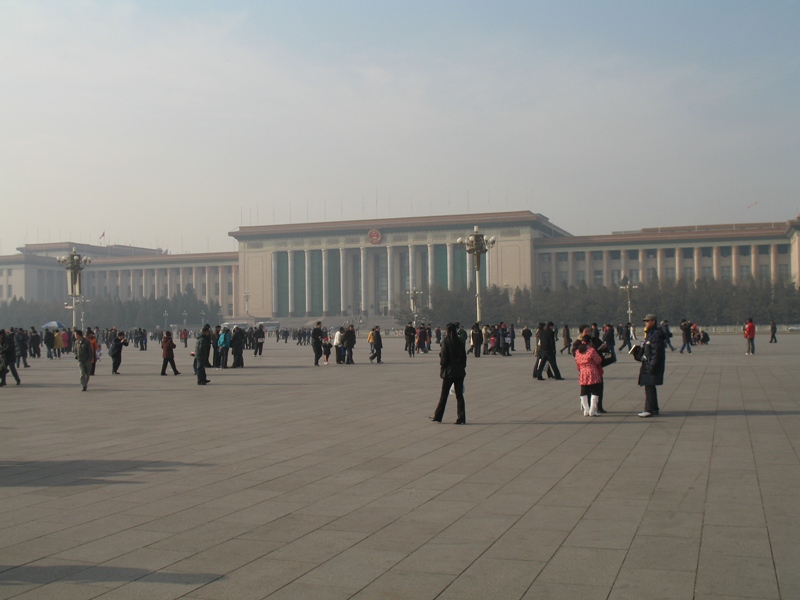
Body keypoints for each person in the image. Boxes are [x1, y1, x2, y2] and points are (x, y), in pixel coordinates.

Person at [430, 323, 467, 425]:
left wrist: (443, 369)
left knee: (444, 395)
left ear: (447, 331)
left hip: (449, 372)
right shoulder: (460, 342)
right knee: (459, 396)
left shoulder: (446, 342)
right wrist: (461, 367)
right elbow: (464, 358)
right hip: (459, 372)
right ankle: (461, 418)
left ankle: (438, 416)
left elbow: (443, 359)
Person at [638, 314, 666, 418]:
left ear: (653, 321)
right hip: (648, 362)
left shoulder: (656, 334)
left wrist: (652, 365)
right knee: (650, 386)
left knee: (649, 386)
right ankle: (654, 408)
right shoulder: (650, 334)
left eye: (647, 321)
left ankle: (649, 410)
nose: (646, 323)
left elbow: (657, 352)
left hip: (651, 364)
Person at [574, 328, 603, 417]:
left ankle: (586, 410)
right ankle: (592, 410)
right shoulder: (591, 350)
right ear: (589, 342)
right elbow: (598, 360)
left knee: (584, 391)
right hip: (592, 371)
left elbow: (576, 360)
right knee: (595, 390)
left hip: (583, 372)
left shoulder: (578, 351)